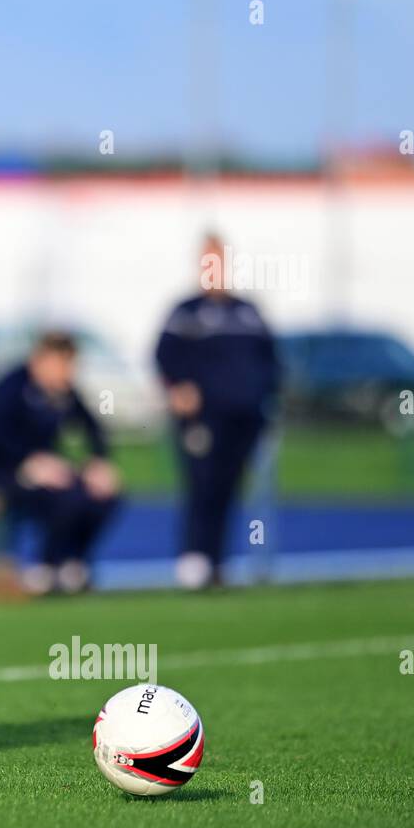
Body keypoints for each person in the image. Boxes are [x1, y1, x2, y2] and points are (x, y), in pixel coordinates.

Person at [155, 232, 280, 589]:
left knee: (228, 487)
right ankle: (194, 559)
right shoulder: (186, 312)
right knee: (202, 484)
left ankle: (218, 562)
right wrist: (178, 388)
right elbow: (164, 357)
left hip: (244, 418)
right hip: (202, 419)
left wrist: (269, 397)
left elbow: (270, 361)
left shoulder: (247, 312)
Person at [0, 332, 121, 593]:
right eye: (61, 364)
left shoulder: (66, 393)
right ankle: (47, 565)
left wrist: (98, 462)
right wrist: (27, 462)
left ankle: (72, 563)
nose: (67, 372)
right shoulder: (10, 388)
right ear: (41, 361)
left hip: (47, 470)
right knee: (63, 497)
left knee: (101, 496)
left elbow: (93, 429)